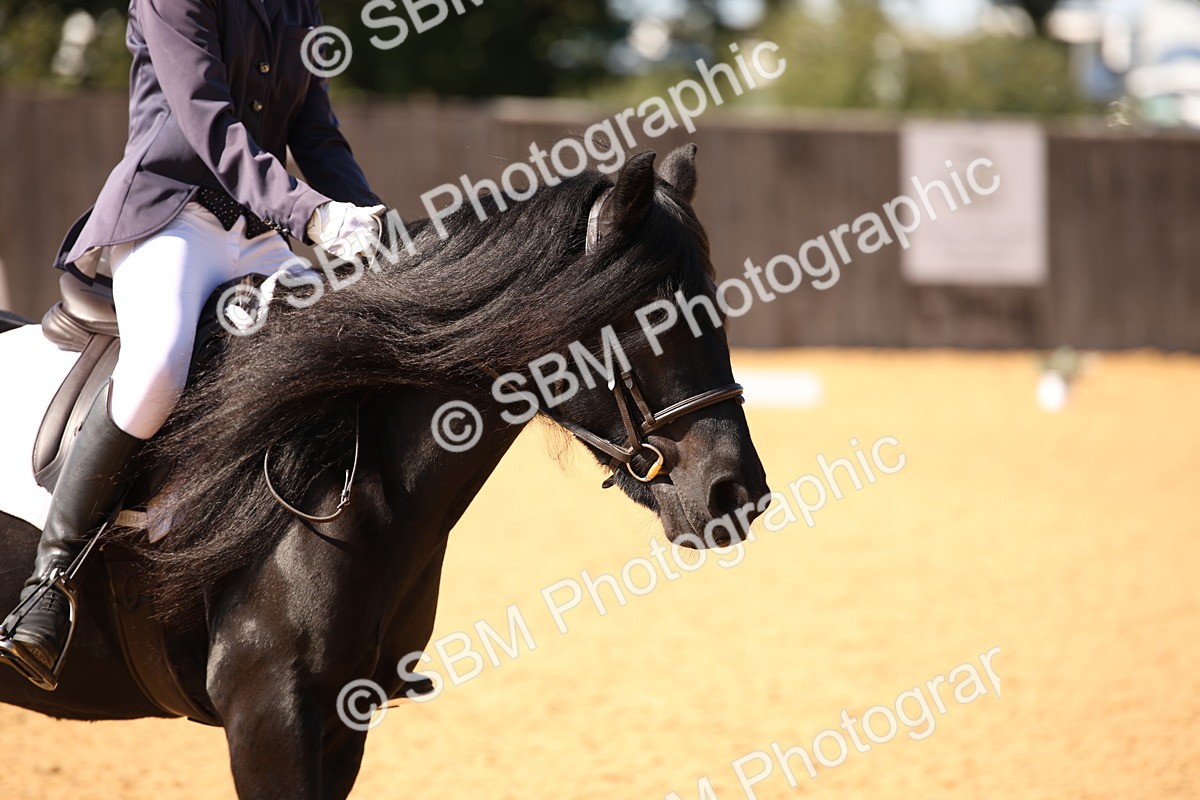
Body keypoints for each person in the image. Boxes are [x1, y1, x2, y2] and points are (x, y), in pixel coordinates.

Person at [0, 0, 384, 688]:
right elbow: (207, 119)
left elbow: (315, 131)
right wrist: (313, 216)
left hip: (257, 235)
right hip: (168, 216)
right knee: (157, 369)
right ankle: (49, 581)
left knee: (348, 352)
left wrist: (375, 226)